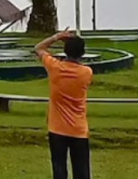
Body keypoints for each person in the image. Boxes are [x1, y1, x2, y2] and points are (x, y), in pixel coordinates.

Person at [34, 28, 92, 179]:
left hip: (57, 128)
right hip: (78, 129)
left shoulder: (54, 67)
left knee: (59, 169)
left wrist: (57, 37)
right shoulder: (86, 73)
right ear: (82, 53)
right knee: (82, 171)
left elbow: (38, 48)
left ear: (65, 51)